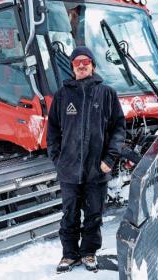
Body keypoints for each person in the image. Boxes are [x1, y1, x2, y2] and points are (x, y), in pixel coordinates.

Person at [47, 46, 125, 273]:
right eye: (76, 62)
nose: (81, 65)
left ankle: (89, 252)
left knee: (93, 214)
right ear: (72, 68)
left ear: (92, 65)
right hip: (69, 170)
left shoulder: (107, 93)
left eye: (85, 61)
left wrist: (109, 160)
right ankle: (69, 255)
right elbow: (52, 131)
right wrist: (58, 160)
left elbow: (118, 129)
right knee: (69, 214)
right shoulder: (62, 95)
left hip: (96, 169)